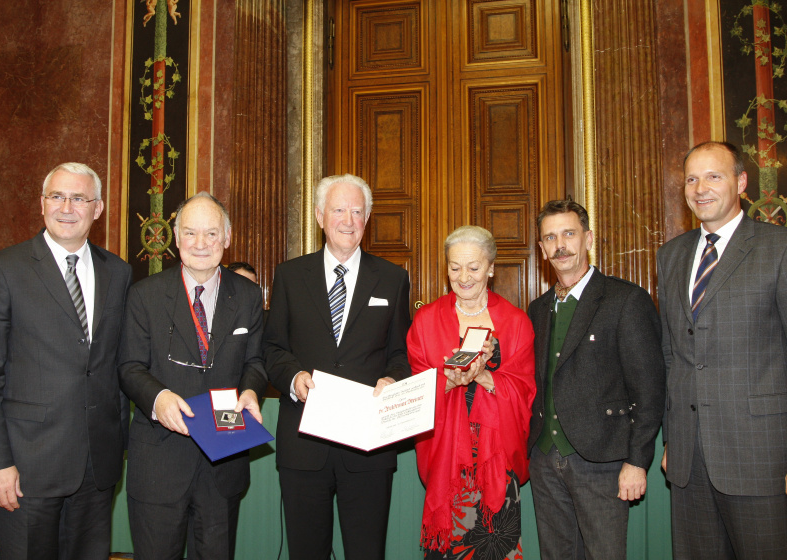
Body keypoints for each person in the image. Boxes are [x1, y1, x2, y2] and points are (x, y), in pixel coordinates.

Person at [0, 162, 132, 559]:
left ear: (97, 209)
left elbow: (116, 363)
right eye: (57, 196)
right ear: (42, 204)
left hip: (97, 467)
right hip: (26, 468)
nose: (66, 207)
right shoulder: (4, 269)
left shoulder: (118, 272)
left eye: (79, 198)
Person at [263, 173, 411, 560]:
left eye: (357, 211)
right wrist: (293, 377)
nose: (348, 220)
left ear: (367, 218)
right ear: (319, 216)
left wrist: (393, 378)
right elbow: (273, 347)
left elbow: (400, 352)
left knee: (366, 552)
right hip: (304, 443)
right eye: (339, 210)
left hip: (368, 448)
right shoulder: (290, 276)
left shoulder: (393, 279)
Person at [118, 192, 268, 560]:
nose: (201, 244)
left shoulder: (249, 297)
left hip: (223, 460)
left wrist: (251, 391)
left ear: (227, 239)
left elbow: (257, 362)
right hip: (159, 463)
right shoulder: (144, 295)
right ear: (175, 237)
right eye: (190, 233)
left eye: (212, 234)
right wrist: (158, 398)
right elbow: (129, 366)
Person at [657, 141, 787, 559]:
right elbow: (672, 354)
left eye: (714, 176)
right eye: (691, 179)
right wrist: (672, 440)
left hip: (760, 456)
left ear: (741, 182)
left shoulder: (778, 248)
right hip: (688, 460)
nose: (700, 188)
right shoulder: (671, 256)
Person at [527, 200, 665, 559]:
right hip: (545, 460)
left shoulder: (626, 300)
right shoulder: (538, 309)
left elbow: (649, 389)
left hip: (602, 462)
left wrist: (637, 461)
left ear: (588, 238)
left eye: (569, 234)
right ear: (541, 249)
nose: (561, 244)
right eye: (550, 237)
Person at [406, 225, 535, 559]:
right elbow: (414, 390)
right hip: (448, 459)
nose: (463, 277)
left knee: (493, 546)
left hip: (496, 458)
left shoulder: (516, 321)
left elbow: (524, 391)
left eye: (474, 268)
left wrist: (483, 377)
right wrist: (450, 379)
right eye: (454, 267)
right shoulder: (426, 320)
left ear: (491, 268)